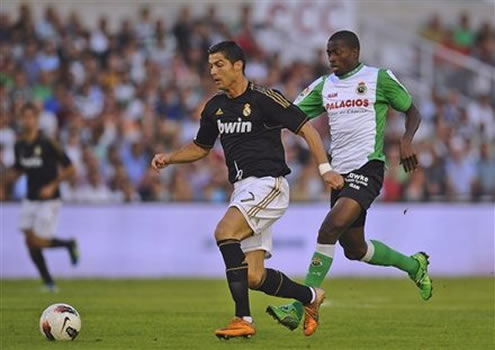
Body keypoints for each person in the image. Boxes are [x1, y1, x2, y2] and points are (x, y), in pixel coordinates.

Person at [151, 41, 343, 338]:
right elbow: (201, 147)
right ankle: (311, 297)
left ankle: (243, 318)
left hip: (269, 184)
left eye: (219, 64)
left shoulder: (265, 99)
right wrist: (171, 158)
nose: (213, 71)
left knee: (224, 232)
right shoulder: (215, 107)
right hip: (243, 189)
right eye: (211, 65)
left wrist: (324, 168)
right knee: (254, 276)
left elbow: (307, 128)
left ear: (238, 65)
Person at [266, 30, 432, 330]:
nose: (331, 57)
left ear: (355, 51)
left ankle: (302, 302)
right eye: (329, 52)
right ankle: (413, 264)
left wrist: (407, 140)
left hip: (368, 168)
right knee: (355, 250)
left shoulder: (378, 78)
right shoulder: (324, 86)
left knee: (328, 228)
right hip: (339, 175)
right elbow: (290, 114)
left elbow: (412, 110)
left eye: (338, 52)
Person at [3, 103, 79, 292]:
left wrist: (52, 186)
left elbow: (70, 168)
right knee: (29, 242)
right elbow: (20, 169)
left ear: (36, 119)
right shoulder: (19, 145)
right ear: (21, 119)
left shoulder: (47, 143)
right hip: (30, 199)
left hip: (49, 200)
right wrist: (8, 179)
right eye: (24, 117)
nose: (27, 121)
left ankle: (69, 244)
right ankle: (49, 283)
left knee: (37, 241)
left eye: (30, 117)